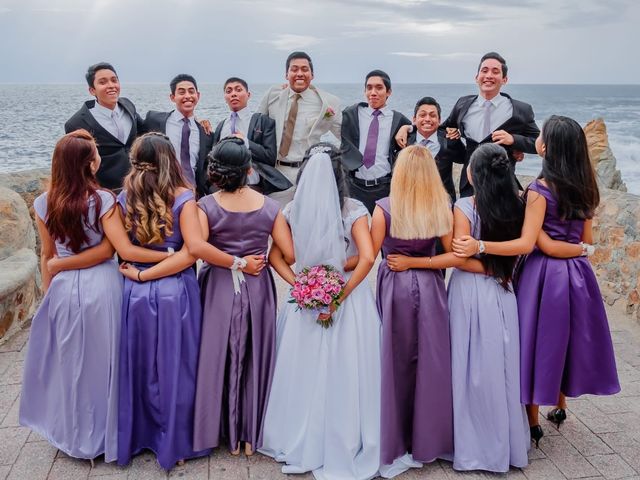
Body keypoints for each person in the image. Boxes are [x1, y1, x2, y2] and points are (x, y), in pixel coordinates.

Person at [453, 115, 621, 446]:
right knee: (568, 339)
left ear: (548, 148)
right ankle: (559, 405)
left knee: (536, 343)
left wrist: (480, 245)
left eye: (541, 136)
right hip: (579, 275)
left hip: (545, 276)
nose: (536, 140)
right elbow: (587, 241)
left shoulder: (538, 190)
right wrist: (580, 251)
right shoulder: (587, 188)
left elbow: (530, 244)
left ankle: (532, 420)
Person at [19, 129, 171, 463]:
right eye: (94, 154)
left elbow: (47, 255)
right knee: (106, 363)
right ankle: (105, 434)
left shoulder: (43, 202)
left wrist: (50, 289)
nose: (100, 157)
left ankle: (74, 432)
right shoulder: (102, 200)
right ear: (88, 165)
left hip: (62, 288)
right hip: (101, 287)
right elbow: (109, 250)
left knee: (70, 364)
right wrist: (174, 256)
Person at [260, 143, 381, 480]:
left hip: (305, 301)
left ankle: (295, 431)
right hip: (346, 298)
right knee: (347, 366)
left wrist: (301, 283)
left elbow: (276, 257)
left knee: (302, 367)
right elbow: (368, 257)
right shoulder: (353, 209)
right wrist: (338, 290)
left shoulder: (290, 211)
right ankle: (345, 433)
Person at [183, 137, 294, 456]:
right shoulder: (271, 208)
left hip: (219, 285)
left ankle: (218, 430)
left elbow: (197, 247)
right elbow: (288, 252)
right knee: (254, 353)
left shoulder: (205, 206)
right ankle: (249, 434)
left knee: (217, 354)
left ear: (216, 172)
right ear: (249, 170)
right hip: (258, 286)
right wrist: (256, 253)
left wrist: (233, 259)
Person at [114, 133, 210, 469]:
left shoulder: (124, 197)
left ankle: (142, 436)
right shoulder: (184, 198)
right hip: (174, 292)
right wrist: (150, 274)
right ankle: (176, 442)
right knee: (177, 368)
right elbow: (190, 254)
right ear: (170, 159)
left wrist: (140, 276)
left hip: (135, 294)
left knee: (139, 367)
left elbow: (122, 250)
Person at [370, 145, 454, 477]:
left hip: (395, 287)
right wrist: (423, 263)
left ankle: (396, 436)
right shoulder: (442, 206)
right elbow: (454, 257)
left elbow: (367, 254)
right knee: (431, 363)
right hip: (432, 288)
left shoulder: (384, 208)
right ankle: (428, 438)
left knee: (395, 362)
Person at [447, 143, 530, 472]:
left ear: (472, 174)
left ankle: (470, 444)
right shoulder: (517, 207)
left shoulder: (464, 206)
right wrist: (499, 270)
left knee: (468, 369)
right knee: (501, 368)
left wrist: (486, 265)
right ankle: (504, 443)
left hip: (469, 293)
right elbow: (519, 252)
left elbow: (460, 260)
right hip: (503, 292)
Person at [396, 52, 539, 198]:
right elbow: (439, 128)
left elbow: (542, 144)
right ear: (477, 78)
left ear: (504, 79)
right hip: (469, 186)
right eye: (484, 71)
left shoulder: (520, 110)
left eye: (495, 71)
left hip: (503, 185)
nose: (489, 75)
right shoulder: (463, 105)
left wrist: (514, 140)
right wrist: (408, 127)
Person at [258, 51, 342, 204]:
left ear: (312, 74)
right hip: (276, 173)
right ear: (286, 74)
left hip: (308, 172)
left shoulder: (328, 103)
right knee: (277, 222)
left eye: (304, 69)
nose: (299, 73)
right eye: (294, 69)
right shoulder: (272, 95)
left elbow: (345, 137)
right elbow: (256, 128)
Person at [65, 62, 143, 191]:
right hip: (106, 194)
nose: (111, 86)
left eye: (114, 80)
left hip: (138, 188)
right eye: (103, 82)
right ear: (92, 90)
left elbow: (143, 132)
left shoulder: (128, 106)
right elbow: (78, 166)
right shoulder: (77, 123)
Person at [341, 70, 411, 213]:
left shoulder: (398, 119)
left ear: (388, 92)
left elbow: (422, 128)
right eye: (369, 87)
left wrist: (407, 127)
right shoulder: (352, 113)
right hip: (354, 186)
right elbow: (327, 117)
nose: (373, 92)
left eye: (379, 88)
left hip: (384, 187)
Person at [212, 77, 292, 195]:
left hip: (254, 188)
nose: (233, 94)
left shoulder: (263, 121)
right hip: (223, 189)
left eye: (238, 90)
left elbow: (270, 157)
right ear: (225, 97)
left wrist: (245, 141)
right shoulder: (221, 126)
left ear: (248, 95)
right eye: (229, 91)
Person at [143, 74, 214, 198]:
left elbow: (205, 167)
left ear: (198, 95)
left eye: (191, 91)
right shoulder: (154, 120)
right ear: (172, 97)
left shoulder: (205, 133)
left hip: (193, 194)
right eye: (181, 92)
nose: (187, 96)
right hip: (160, 193)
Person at [400, 96, 465, 203]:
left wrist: (457, 135)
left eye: (432, 115)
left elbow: (464, 158)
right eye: (422, 115)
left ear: (439, 120)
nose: (427, 119)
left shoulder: (450, 139)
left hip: (442, 201)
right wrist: (406, 127)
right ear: (414, 119)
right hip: (410, 201)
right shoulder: (404, 139)